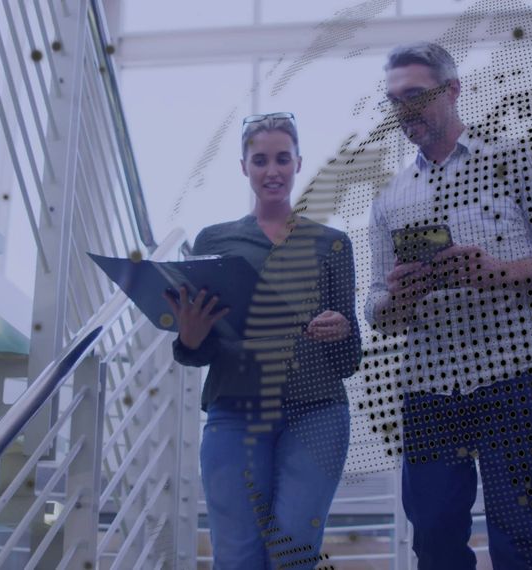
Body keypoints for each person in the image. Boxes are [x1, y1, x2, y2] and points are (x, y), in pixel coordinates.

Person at [364, 42, 532, 569]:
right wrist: (400, 297)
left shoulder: (518, 161)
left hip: (515, 376)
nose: (404, 110)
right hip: (428, 389)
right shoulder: (389, 198)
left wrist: (500, 272)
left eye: (415, 95)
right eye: (394, 101)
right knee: (433, 544)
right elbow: (376, 308)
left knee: (519, 540)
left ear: (452, 90)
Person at [163, 112, 362, 569]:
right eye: (260, 160)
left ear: (298, 163)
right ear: (244, 167)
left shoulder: (332, 244)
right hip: (235, 411)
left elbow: (348, 360)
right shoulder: (215, 240)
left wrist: (342, 329)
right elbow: (198, 350)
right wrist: (190, 337)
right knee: (237, 556)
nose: (272, 170)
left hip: (316, 413)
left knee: (293, 552)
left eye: (282, 159)